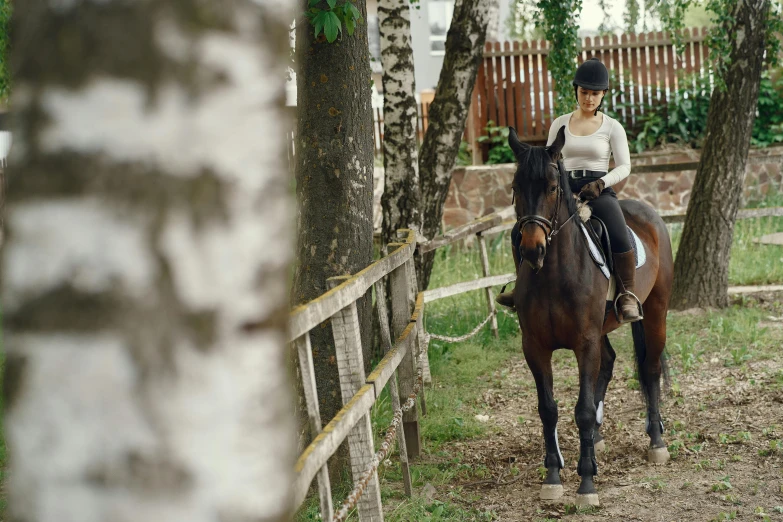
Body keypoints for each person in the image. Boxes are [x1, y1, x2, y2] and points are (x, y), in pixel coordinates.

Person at [496, 57, 641, 323]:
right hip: (561, 189)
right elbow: (549, 160)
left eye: (594, 94)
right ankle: (521, 287)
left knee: (618, 231)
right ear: (576, 91)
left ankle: (627, 294)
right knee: (520, 230)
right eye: (584, 92)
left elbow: (625, 166)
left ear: (603, 95)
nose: (589, 98)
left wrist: (601, 183)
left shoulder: (612, 127)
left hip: (598, 190)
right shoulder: (560, 124)